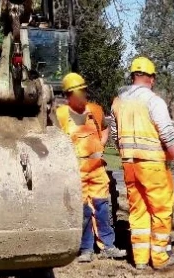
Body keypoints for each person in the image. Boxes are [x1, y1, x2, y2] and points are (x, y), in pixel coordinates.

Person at [111, 57, 174, 271]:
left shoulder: (118, 102)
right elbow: (167, 134)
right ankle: (159, 258)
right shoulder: (153, 101)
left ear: (132, 76)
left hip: (129, 164)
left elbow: (113, 134)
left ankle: (139, 259)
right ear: (152, 78)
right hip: (152, 164)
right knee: (161, 209)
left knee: (137, 210)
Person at [55, 72, 126, 263]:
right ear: (68, 95)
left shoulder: (95, 110)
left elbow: (104, 128)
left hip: (96, 168)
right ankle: (86, 248)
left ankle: (108, 246)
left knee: (102, 207)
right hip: (76, 170)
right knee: (84, 210)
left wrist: (101, 145)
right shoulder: (60, 115)